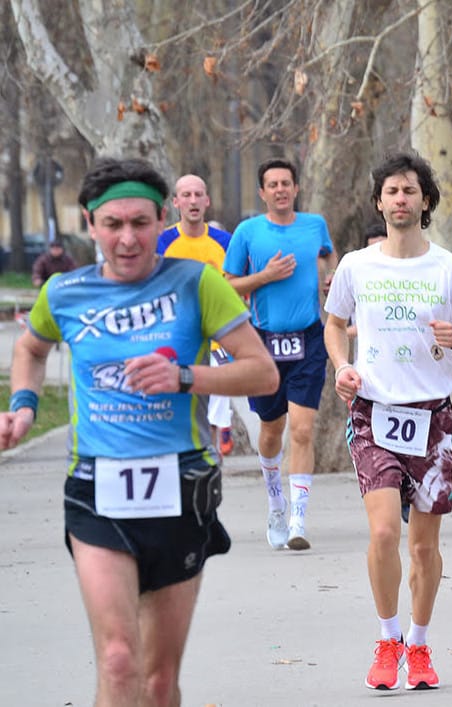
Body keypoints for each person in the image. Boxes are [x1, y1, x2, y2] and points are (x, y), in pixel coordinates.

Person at [0, 157, 278, 705]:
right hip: (96, 487)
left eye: (140, 223)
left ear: (163, 218)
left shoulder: (196, 282)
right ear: (90, 223)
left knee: (157, 680)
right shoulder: (65, 292)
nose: (127, 239)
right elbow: (31, 347)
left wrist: (184, 376)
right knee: (119, 659)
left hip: (180, 484)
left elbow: (262, 371)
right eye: (113, 224)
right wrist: (24, 406)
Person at [323, 151, 452, 691]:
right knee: (382, 530)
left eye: (409, 191)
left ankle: (418, 645)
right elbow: (334, 325)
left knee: (422, 547)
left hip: (432, 419)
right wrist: (344, 367)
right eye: (391, 191)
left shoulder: (449, 269)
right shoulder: (356, 265)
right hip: (374, 413)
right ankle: (387, 638)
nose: (400, 199)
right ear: (379, 202)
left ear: (425, 201)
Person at [223, 158, 337, 551]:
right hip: (264, 343)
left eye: (286, 183)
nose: (280, 190)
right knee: (271, 431)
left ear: (296, 188)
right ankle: (276, 502)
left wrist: (330, 279)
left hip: (308, 339)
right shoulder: (248, 232)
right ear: (262, 192)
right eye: (272, 184)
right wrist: (265, 277)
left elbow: (327, 257)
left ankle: (298, 521)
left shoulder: (314, 225)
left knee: (303, 429)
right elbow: (229, 286)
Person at [158, 174, 236, 456]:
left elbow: (237, 287)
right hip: (175, 340)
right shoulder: (162, 242)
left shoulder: (225, 242)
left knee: (213, 413)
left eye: (198, 195)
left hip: (215, 342)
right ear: (176, 202)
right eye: (186, 195)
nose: (193, 201)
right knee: (179, 410)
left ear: (207, 201)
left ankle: (212, 466)